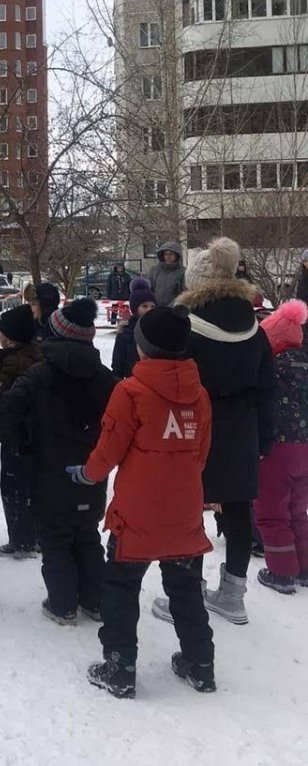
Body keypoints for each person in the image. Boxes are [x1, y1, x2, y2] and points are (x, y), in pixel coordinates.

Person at [71, 305, 215, 699]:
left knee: (119, 588)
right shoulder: (199, 394)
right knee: (185, 588)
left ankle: (120, 668)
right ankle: (201, 664)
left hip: (135, 513)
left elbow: (109, 450)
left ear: (144, 349)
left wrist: (88, 474)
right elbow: (201, 453)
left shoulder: (130, 391)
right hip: (184, 511)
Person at [151, 237, 274, 628]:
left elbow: (170, 381)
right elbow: (268, 386)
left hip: (193, 428)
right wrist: (264, 438)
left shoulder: (186, 323)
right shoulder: (256, 327)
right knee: (238, 509)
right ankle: (233, 596)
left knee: (190, 510)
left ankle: (187, 595)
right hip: (243, 428)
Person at [0, 298, 117, 624]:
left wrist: (22, 447)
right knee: (87, 533)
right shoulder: (105, 380)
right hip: (92, 471)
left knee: (55, 536)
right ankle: (95, 600)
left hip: (49, 470)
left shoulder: (37, 376)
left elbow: (8, 412)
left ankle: (63, 604)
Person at [253, 299, 308, 593]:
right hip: (306, 448)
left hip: (278, 449)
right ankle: (305, 567)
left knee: (272, 511)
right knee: (298, 510)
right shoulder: (306, 364)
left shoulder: (269, 368)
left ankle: (282, 572)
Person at [0, 303, 42, 559]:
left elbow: (1, 400)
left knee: (14, 488)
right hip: (37, 436)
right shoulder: (38, 354)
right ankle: (36, 536)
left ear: (9, 337)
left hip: (17, 436)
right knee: (35, 486)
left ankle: (21, 540)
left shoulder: (12, 363)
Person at [111, 278, 157, 380]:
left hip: (154, 379)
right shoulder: (126, 331)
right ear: (135, 308)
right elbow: (118, 360)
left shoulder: (158, 329)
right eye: (144, 306)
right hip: (132, 379)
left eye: (152, 306)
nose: (149, 309)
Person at [149, 241, 186, 307]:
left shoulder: (182, 272)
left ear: (176, 255)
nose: (168, 257)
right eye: (165, 254)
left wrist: (170, 307)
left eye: (171, 254)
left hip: (173, 310)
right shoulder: (155, 270)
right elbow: (150, 289)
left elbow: (183, 293)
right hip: (156, 309)